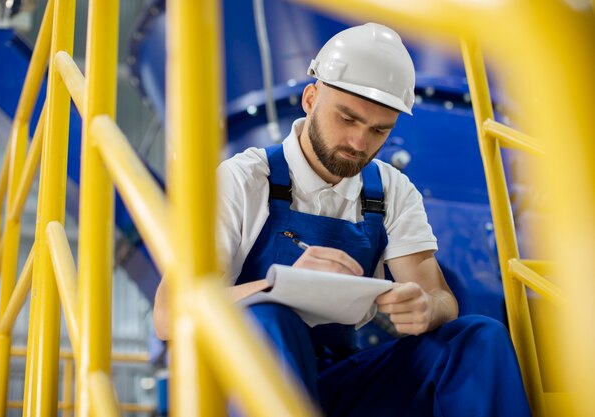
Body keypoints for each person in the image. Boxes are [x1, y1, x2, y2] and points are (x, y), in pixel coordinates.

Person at [154, 23, 531, 416]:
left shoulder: (391, 190)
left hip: (340, 380)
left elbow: (439, 297)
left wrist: (424, 307)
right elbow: (168, 314)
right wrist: (275, 286)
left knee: (478, 337)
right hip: (244, 389)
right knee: (269, 318)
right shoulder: (242, 180)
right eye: (347, 119)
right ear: (311, 98)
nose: (358, 143)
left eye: (379, 130)